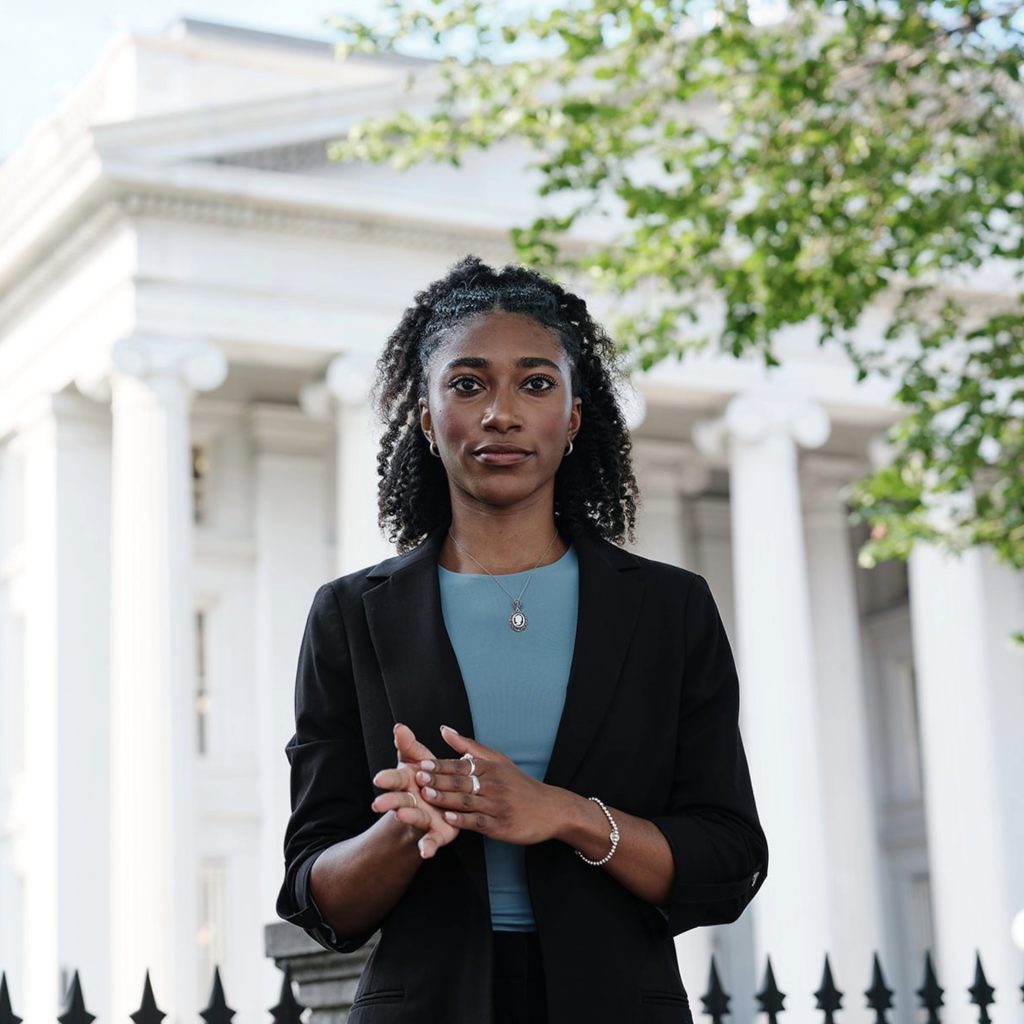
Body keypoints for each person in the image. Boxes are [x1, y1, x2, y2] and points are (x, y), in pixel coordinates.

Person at [277, 256, 768, 1024]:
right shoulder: (351, 615)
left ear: (573, 417)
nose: (500, 413)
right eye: (467, 384)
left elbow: (730, 861)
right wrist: (406, 828)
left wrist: (565, 814)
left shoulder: (669, 609)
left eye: (535, 383)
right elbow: (318, 899)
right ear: (424, 414)